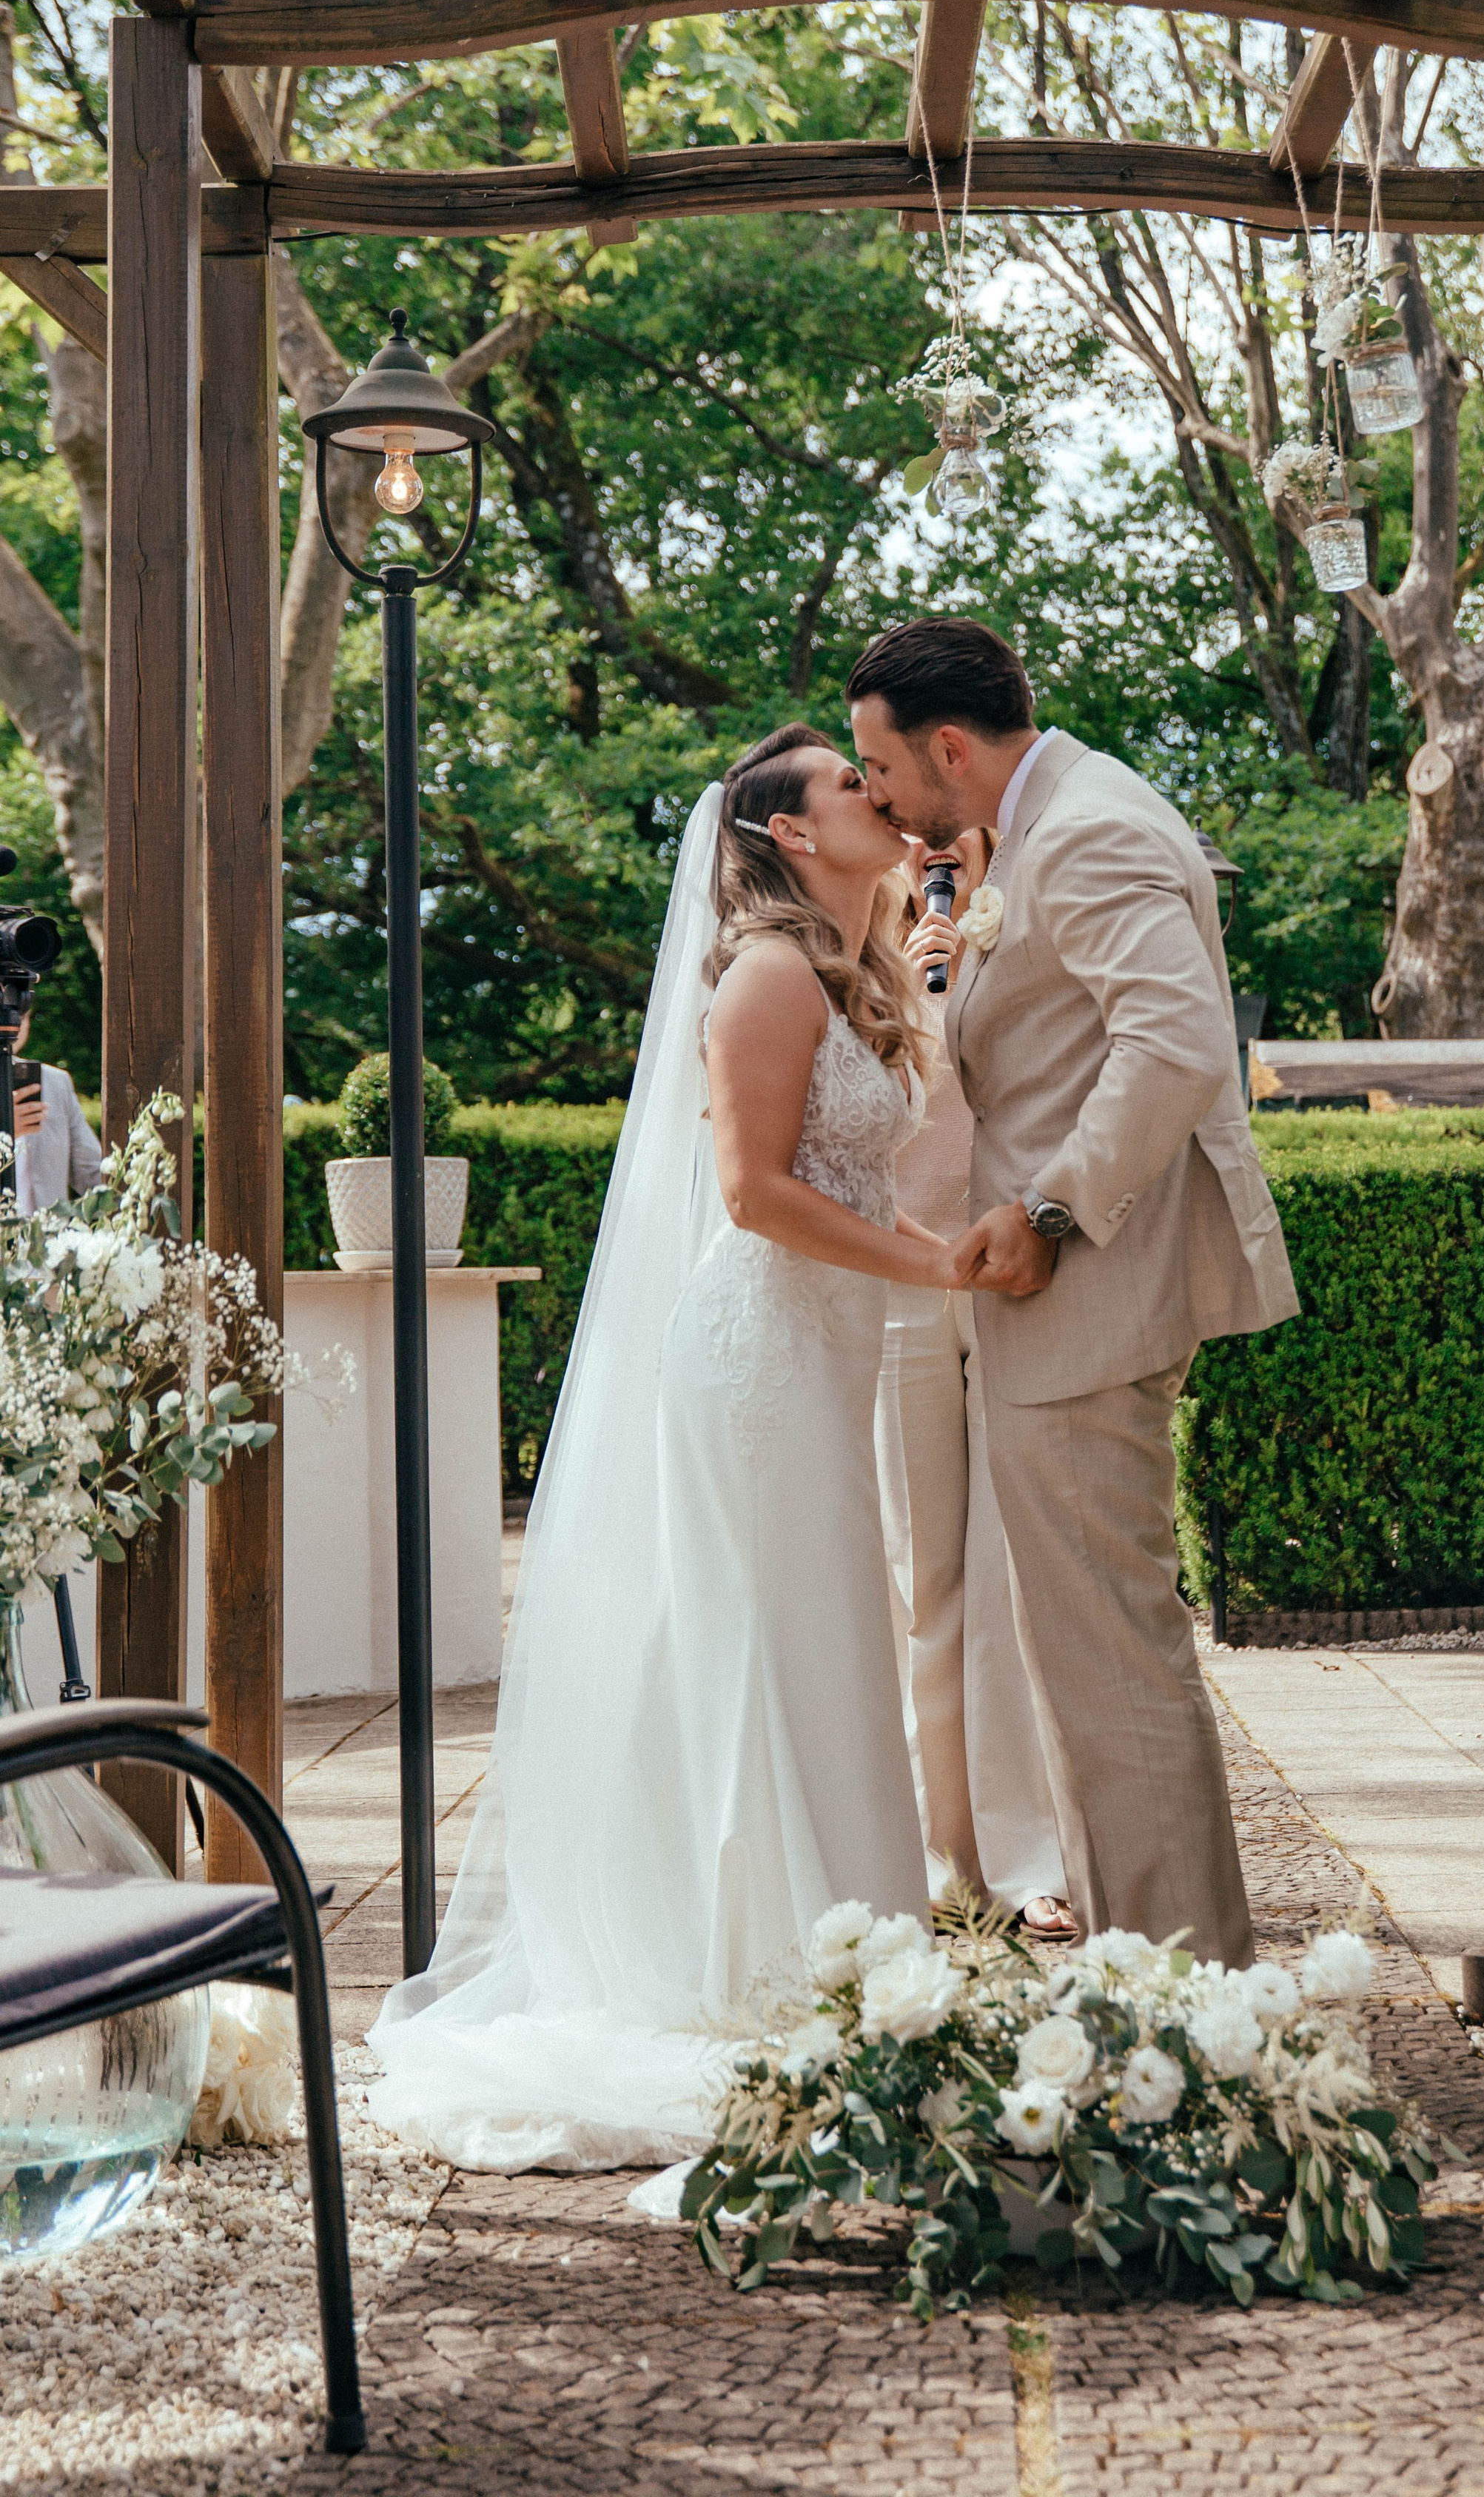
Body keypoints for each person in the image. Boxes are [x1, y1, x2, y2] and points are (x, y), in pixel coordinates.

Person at [366, 726, 950, 2173]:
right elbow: (751, 1194)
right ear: (792, 834)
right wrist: (932, 1269)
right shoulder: (760, 976)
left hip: (819, 1357)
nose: (877, 798)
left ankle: (843, 1942)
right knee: (765, 1647)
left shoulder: (841, 971)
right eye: (847, 786)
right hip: (755, 1361)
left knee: (821, 1642)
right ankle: (762, 1962)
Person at [848, 620, 1300, 1970]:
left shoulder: (1090, 828)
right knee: (1084, 1664)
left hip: (1093, 1294)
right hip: (1066, 1305)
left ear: (946, 745)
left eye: (880, 764)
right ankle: (1141, 1975)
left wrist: (1051, 1212)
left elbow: (1174, 1041)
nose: (875, 793)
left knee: (1111, 1665)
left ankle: (1186, 1997)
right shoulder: (1046, 825)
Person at [882, 829, 1074, 1943]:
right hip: (899, 1278)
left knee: (1011, 1574)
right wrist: (908, 987)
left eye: (943, 833)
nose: (927, 846)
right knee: (921, 1575)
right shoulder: (857, 930)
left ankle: (1026, 1855)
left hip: (1013, 1269)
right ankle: (935, 1852)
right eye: (907, 830)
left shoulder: (1033, 902)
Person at [5, 1013, 102, 1215]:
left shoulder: (55, 1083)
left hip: (47, 1242)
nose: (13, 1020)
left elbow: (93, 1173)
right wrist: (5, 1130)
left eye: (21, 1013)